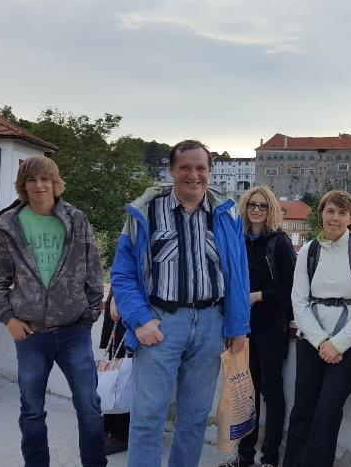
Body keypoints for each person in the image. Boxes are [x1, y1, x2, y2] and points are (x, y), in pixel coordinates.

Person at [111, 139, 250, 467]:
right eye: (185, 168)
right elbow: (123, 273)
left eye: (200, 168)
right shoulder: (145, 211)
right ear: (171, 170)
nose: (193, 175)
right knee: (147, 417)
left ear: (210, 172)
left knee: (195, 418)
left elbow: (239, 274)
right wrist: (139, 320)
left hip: (211, 325)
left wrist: (238, 326)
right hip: (160, 323)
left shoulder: (226, 213)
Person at [0, 156, 106, 466]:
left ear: (56, 182)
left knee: (89, 406)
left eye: (45, 179)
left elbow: (94, 271)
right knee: (32, 410)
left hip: (74, 331)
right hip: (30, 335)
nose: (39, 185)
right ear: (23, 185)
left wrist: (87, 315)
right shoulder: (8, 226)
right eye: (31, 180)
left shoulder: (76, 219)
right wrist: (9, 318)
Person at [282, 190, 351, 467]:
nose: (334, 218)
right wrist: (321, 341)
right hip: (313, 337)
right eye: (329, 211)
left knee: (327, 412)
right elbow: (299, 301)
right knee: (302, 410)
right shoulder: (309, 251)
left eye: (341, 213)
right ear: (321, 214)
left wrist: (337, 344)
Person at [221, 186, 297, 467]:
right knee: (244, 392)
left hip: (271, 327)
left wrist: (259, 296)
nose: (256, 210)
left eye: (262, 206)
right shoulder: (238, 241)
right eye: (252, 204)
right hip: (242, 327)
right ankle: (244, 457)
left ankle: (269, 459)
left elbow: (291, 289)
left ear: (271, 210)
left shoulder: (279, 242)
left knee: (271, 391)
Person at [98, 292, 129, 455]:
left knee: (129, 375)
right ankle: (109, 427)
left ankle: (120, 433)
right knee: (117, 371)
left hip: (141, 305)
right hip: (124, 299)